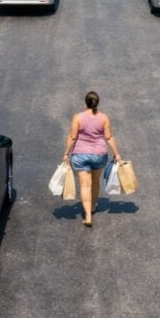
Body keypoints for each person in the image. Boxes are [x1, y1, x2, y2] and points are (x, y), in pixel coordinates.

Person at [62, 91, 122, 227]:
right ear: (97, 103)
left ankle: (88, 215)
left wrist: (66, 153)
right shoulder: (104, 118)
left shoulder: (77, 117)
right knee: (95, 182)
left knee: (84, 185)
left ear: (85, 103)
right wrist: (116, 154)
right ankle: (93, 206)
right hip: (99, 155)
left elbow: (72, 137)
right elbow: (108, 136)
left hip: (80, 154)